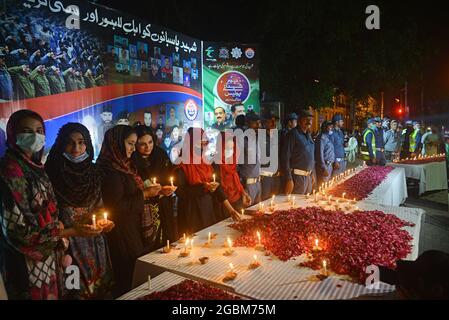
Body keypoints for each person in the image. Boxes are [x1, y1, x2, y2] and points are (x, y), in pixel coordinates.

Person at [0, 110, 82, 300]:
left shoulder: (35, 166)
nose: (34, 136)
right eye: (26, 131)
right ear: (13, 135)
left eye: (39, 130)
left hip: (47, 257)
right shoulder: (10, 171)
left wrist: (58, 226)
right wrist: (68, 232)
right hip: (25, 262)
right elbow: (16, 232)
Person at [45, 123, 114, 299]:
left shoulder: (94, 173)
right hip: (68, 246)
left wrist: (103, 221)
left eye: (81, 142)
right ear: (61, 145)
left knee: (101, 289)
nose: (76, 148)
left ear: (88, 144)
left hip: (95, 243)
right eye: (70, 142)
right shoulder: (51, 174)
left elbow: (99, 207)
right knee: (75, 291)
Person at [97, 125, 160, 298]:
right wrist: (145, 194)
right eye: (130, 143)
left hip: (133, 226)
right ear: (117, 143)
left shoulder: (124, 165)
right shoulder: (110, 170)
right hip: (122, 231)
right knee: (129, 276)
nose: (133, 148)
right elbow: (116, 207)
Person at [175, 128, 240, 236]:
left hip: (207, 208)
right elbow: (180, 191)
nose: (202, 145)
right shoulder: (182, 164)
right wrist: (203, 187)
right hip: (190, 211)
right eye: (199, 142)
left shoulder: (205, 162)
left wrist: (231, 210)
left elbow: (217, 187)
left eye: (204, 142)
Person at [132, 125, 178, 247]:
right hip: (144, 209)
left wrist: (167, 188)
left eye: (150, 142)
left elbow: (169, 175)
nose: (148, 147)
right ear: (135, 144)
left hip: (164, 204)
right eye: (142, 144)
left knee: (169, 239)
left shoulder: (160, 154)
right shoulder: (132, 160)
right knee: (151, 245)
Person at [282, 109, 315, 195]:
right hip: (297, 178)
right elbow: (285, 157)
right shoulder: (293, 134)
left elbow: (311, 157)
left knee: (306, 205)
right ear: (299, 120)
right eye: (306, 119)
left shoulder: (309, 135)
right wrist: (289, 179)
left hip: (308, 177)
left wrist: (312, 174)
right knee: (296, 205)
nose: (309, 121)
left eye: (311, 119)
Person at [215, 134, 251, 212]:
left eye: (231, 148)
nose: (230, 151)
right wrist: (230, 210)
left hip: (237, 199)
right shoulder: (215, 163)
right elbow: (218, 188)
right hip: (223, 204)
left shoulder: (233, 162)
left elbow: (237, 180)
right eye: (227, 148)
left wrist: (244, 193)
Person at [238, 113, 263, 204]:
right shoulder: (240, 139)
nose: (258, 125)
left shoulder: (256, 138)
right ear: (247, 123)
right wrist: (241, 183)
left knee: (258, 212)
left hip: (258, 183)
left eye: (259, 123)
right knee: (247, 214)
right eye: (255, 122)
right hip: (247, 184)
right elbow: (236, 164)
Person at [260, 113, 280, 200]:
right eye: (271, 121)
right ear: (264, 123)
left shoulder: (277, 136)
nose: (273, 123)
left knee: (275, 202)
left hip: (276, 175)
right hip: (265, 176)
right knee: (265, 201)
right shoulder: (260, 137)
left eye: (274, 121)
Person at [279, 113, 298, 192]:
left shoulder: (293, 133)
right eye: (295, 121)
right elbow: (285, 153)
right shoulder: (285, 133)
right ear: (290, 122)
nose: (297, 123)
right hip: (286, 168)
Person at [315, 121, 335, 186]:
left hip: (329, 165)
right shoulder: (321, 138)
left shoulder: (327, 137)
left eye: (332, 126)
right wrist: (323, 168)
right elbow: (319, 154)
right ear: (324, 127)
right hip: (325, 166)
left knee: (327, 186)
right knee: (323, 187)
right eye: (329, 126)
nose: (331, 128)